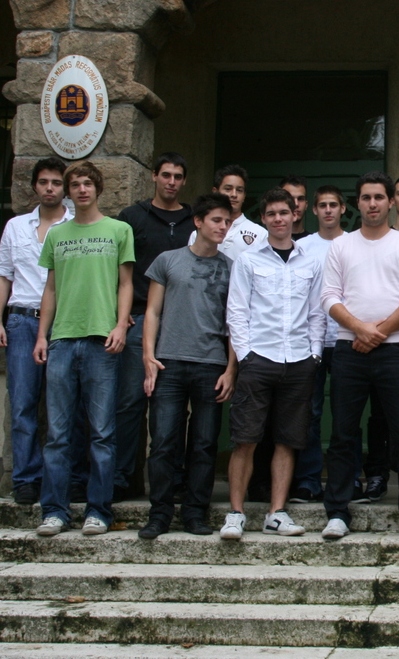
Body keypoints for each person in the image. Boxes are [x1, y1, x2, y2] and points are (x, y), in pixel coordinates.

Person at [320, 171, 399, 541]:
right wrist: (359, 329)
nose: (372, 204)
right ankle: (338, 512)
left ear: (391, 202)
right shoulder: (341, 246)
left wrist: (376, 333)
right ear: (358, 203)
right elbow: (329, 297)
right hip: (349, 350)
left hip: (395, 351)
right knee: (343, 433)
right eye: (366, 197)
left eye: (379, 197)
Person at [32, 160, 134, 537]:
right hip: (62, 340)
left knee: (102, 434)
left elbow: (126, 284)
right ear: (68, 191)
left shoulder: (119, 230)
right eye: (75, 184)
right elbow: (50, 288)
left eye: (88, 183)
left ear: (98, 188)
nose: (82, 190)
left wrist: (120, 325)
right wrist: (42, 336)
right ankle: (55, 511)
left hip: (102, 342)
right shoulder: (57, 235)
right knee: (57, 434)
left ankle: (99, 511)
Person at [221, 188, 325, 540]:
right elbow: (237, 311)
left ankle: (276, 514)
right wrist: (246, 356)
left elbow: (316, 312)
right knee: (245, 439)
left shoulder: (311, 261)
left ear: (295, 215)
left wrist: (314, 354)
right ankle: (235, 514)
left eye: (284, 212)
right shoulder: (248, 260)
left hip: (298, 360)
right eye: (272, 214)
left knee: (287, 440)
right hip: (259, 359)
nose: (279, 219)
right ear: (263, 219)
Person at [139, 193, 237, 540]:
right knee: (164, 442)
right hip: (169, 363)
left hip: (211, 365)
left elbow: (235, 322)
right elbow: (152, 311)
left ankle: (196, 513)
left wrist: (231, 369)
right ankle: (160, 514)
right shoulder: (168, 260)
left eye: (227, 221)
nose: (222, 227)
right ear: (198, 222)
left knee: (204, 444)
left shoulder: (231, 268)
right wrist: (148, 356)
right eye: (216, 220)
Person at [0, 157, 73, 505]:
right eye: (43, 182)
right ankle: (26, 478)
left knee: (65, 406)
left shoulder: (75, 225)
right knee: (23, 402)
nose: (49, 188)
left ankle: (63, 478)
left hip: (64, 322)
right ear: (34, 186)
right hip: (22, 320)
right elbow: (3, 274)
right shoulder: (15, 226)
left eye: (56, 182)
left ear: (64, 187)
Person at [114, 153, 195, 501]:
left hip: (179, 326)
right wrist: (119, 316)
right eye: (166, 175)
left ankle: (171, 481)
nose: (171, 182)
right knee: (130, 404)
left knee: (173, 409)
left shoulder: (194, 221)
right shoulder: (132, 218)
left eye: (177, 176)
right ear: (154, 176)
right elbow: (118, 271)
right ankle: (122, 480)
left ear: (184, 181)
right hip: (137, 320)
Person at [290, 185, 347, 504]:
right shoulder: (302, 247)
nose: (327, 210)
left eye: (333, 205)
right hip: (309, 341)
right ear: (314, 210)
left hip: (346, 339)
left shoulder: (353, 243)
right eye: (322, 205)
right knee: (309, 414)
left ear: (342, 209)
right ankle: (308, 481)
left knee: (345, 414)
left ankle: (346, 481)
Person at [189, 165, 266, 261]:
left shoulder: (260, 234)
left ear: (244, 195)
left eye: (239, 190)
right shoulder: (199, 233)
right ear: (215, 192)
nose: (234, 194)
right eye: (228, 189)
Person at [280, 175, 311, 241]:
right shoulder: (267, 243)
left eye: (300, 199)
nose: (296, 204)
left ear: (306, 205)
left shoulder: (313, 242)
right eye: (290, 198)